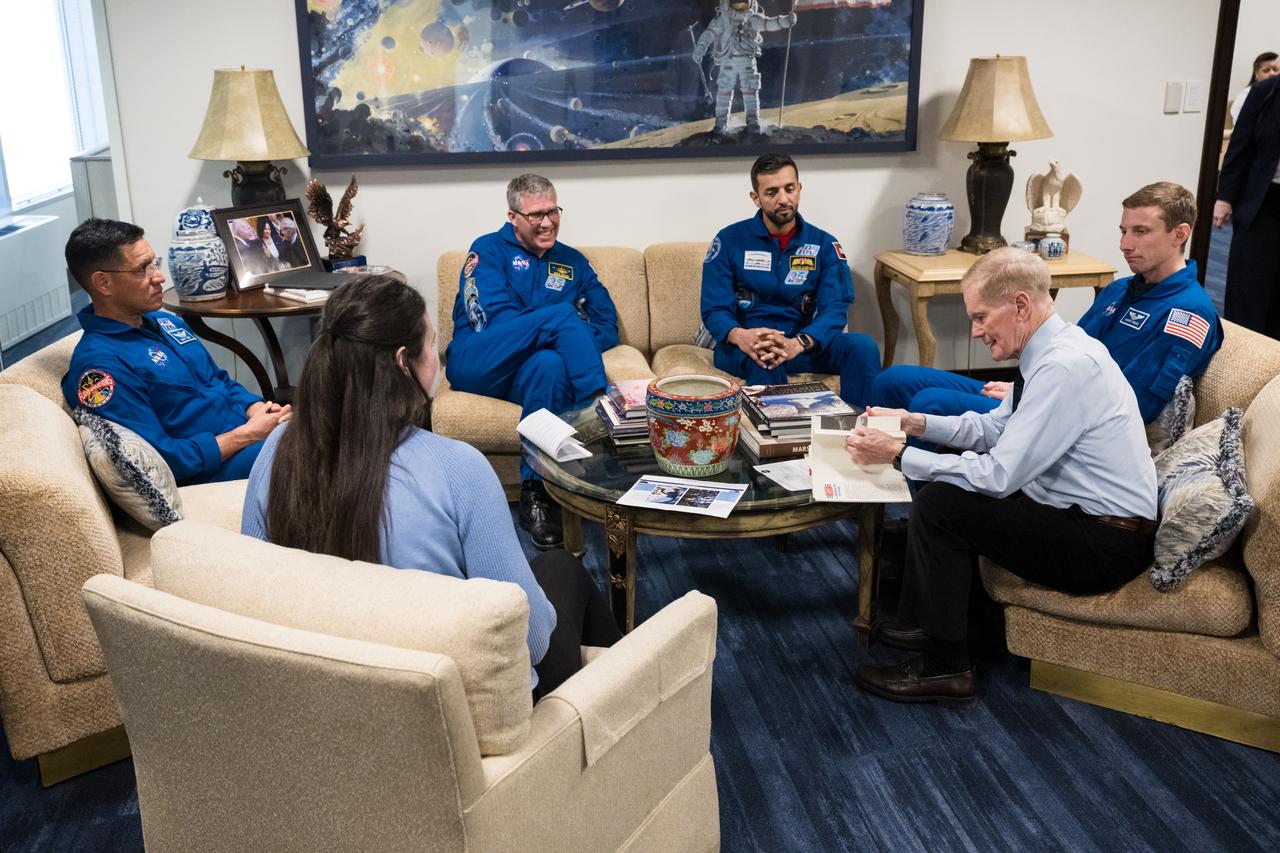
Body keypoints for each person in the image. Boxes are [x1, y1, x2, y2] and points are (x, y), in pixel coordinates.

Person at [241, 274, 620, 696]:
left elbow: (258, 589)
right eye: (432, 346)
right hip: (456, 708)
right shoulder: (459, 469)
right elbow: (529, 643)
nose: (437, 361)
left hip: (326, 697)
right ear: (404, 362)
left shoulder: (277, 449)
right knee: (561, 568)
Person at [845, 248, 1157, 707]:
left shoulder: (1064, 367)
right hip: (1076, 517)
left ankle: (946, 667)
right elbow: (993, 427)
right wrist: (915, 423)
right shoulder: (1049, 351)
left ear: (1020, 306)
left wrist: (899, 454)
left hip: (1104, 544)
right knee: (945, 491)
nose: (974, 330)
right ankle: (936, 625)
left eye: (979, 316)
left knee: (941, 503)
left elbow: (998, 475)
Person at [874, 182, 1222, 424]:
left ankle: (913, 517)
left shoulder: (1188, 314)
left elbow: (1132, 406)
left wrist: (1038, 397)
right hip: (1040, 393)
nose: (1125, 244)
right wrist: (1022, 387)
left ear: (1180, 234)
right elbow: (1062, 351)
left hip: (1066, 420)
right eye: (1123, 231)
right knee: (894, 380)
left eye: (1140, 232)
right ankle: (874, 499)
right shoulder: (1120, 290)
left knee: (929, 405)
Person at [446, 173, 620, 550]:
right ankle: (602, 411)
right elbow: (492, 321)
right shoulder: (487, 250)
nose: (547, 222)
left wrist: (564, 340)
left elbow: (607, 325)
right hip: (479, 360)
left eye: (553, 211)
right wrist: (560, 326)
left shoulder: (573, 261)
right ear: (513, 217)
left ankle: (535, 492)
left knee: (550, 366)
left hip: (529, 369)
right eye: (536, 215)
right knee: (560, 317)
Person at [61, 218, 290, 485]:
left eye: (153, 263)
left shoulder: (166, 322)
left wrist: (259, 409)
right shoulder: (100, 368)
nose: (159, 276)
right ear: (103, 283)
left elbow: (217, 380)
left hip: (248, 434)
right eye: (142, 269)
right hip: (214, 470)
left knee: (330, 421)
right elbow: (159, 460)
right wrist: (248, 434)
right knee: (317, 450)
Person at [701, 153, 881, 408]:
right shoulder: (730, 240)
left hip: (802, 343)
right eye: (771, 192)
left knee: (862, 346)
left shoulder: (824, 245)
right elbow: (714, 308)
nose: (783, 199)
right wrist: (741, 336)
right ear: (756, 198)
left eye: (789, 188)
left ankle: (858, 432)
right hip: (744, 346)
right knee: (764, 355)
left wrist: (800, 342)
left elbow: (836, 308)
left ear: (799, 189)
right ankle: (777, 440)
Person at [1216, 71, 1280, 339]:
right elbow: (1239, 147)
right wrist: (1224, 197)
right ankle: (1244, 356)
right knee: (1249, 287)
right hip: (1263, 201)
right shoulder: (1266, 91)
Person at [692, 0, 797, 136]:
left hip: (747, 61)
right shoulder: (722, 20)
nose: (740, 8)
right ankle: (721, 122)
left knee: (750, 92)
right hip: (728, 61)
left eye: (744, 4)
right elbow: (708, 35)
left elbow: (769, 23)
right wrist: (699, 50)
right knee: (724, 91)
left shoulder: (753, 19)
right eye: (736, 4)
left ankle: (753, 120)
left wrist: (785, 21)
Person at [1230, 51, 1278, 125]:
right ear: (1256, 74)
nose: (1272, 73)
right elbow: (1241, 127)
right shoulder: (1245, 95)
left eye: (1275, 69)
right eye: (1266, 70)